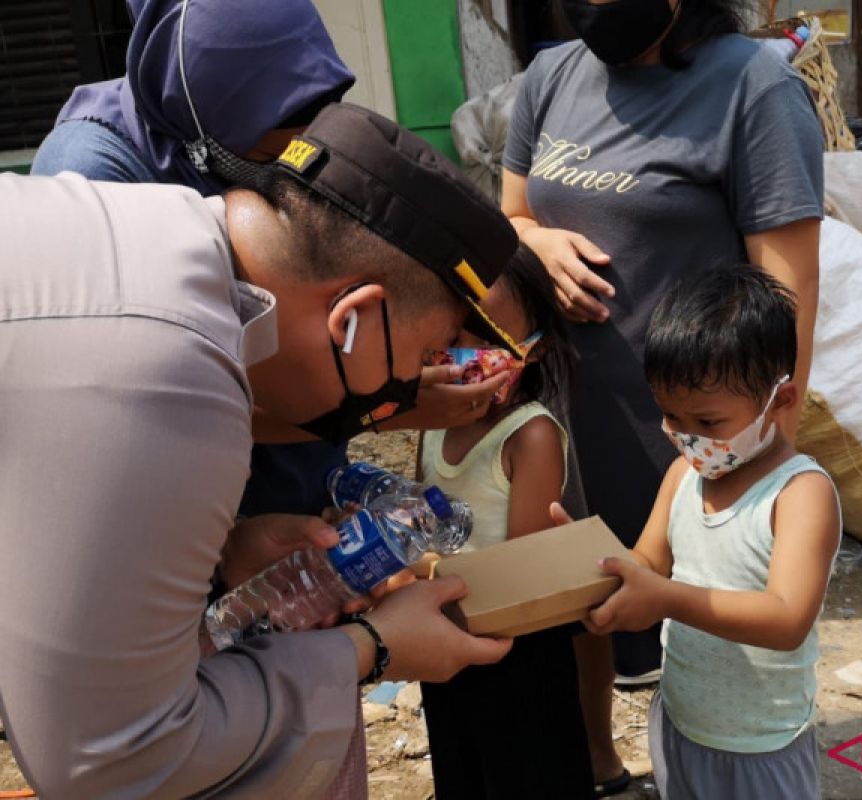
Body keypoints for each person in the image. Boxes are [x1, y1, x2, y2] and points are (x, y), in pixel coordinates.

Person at [0, 103, 518, 798]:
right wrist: (374, 648)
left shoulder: (157, 240)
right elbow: (113, 759)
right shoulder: (173, 365)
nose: (409, 389)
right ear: (352, 320)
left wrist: (218, 551)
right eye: (422, 356)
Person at [501, 0, 824, 786]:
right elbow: (509, 213)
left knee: (699, 598)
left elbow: (789, 282)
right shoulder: (550, 77)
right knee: (587, 579)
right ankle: (600, 753)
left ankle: (732, 745)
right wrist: (536, 241)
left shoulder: (754, 88)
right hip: (566, 404)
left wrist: (771, 437)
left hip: (685, 422)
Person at [31, 0, 509, 517]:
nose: (290, 168)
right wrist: (376, 413)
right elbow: (146, 412)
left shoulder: (266, 118)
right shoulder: (94, 181)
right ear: (207, 132)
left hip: (299, 480)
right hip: (201, 516)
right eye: (269, 156)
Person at [577, 264, 841, 800]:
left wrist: (665, 599)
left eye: (709, 423)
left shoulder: (799, 495)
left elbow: (787, 618)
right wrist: (591, 564)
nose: (687, 438)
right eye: (671, 417)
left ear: (781, 400)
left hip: (761, 747)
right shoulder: (684, 475)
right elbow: (649, 561)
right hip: (680, 721)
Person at [416, 245, 593, 799]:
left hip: (515, 658)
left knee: (525, 775)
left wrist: (419, 573)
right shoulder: (435, 418)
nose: (463, 351)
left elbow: (524, 578)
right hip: (444, 636)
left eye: (487, 337)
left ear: (533, 352)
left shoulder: (530, 436)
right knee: (461, 767)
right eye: (455, 327)